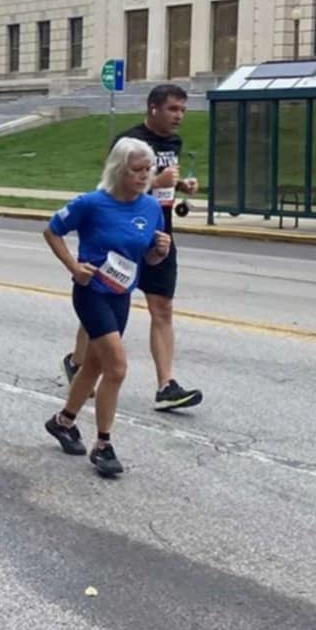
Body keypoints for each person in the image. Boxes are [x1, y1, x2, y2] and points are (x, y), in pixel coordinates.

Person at [63, 84, 202, 412]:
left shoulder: (173, 142)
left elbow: (162, 180)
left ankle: (166, 385)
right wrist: (157, 182)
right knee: (103, 303)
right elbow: (110, 185)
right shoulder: (128, 142)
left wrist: (180, 185)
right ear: (153, 108)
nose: (179, 116)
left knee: (162, 308)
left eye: (182, 110)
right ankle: (78, 361)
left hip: (159, 234)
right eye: (172, 109)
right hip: (122, 235)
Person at [43, 139, 169, 478]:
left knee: (95, 365)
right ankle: (103, 445)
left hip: (121, 294)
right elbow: (52, 231)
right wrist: (74, 266)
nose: (144, 176)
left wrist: (159, 251)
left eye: (148, 169)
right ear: (118, 169)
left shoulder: (150, 208)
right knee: (117, 368)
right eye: (136, 169)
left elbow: (146, 256)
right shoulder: (92, 203)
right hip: (91, 291)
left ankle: (63, 422)